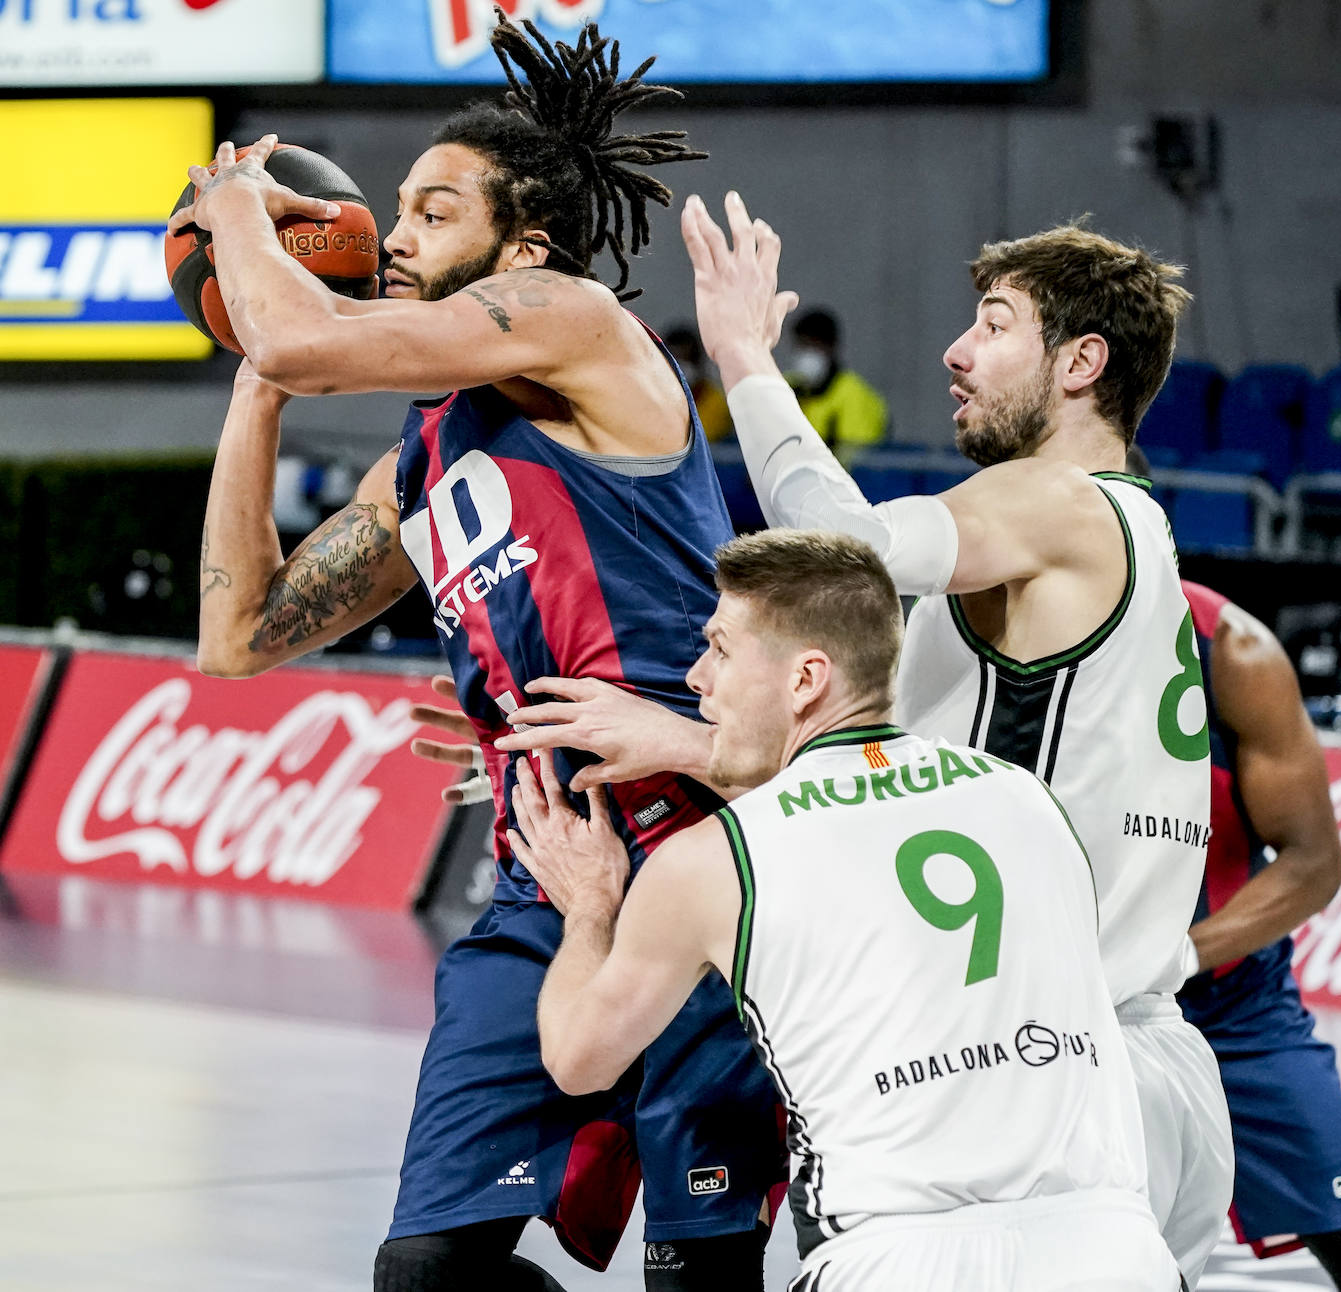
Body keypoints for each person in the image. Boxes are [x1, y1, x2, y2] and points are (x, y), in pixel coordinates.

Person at [453, 198, 1234, 1288]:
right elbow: (883, 775)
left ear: (1081, 362)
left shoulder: (1060, 501)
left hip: (1049, 1082)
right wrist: (680, 736)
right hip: (1131, 1072)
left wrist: (742, 360)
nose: (957, 351)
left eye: (995, 324)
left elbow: (842, 551)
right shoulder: (1121, 539)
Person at [178, 18, 785, 1292]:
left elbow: (305, 335)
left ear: (524, 247)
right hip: (543, 879)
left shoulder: (576, 323)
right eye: (393, 209)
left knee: (700, 1276)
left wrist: (233, 197)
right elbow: (239, 636)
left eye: (431, 210)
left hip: (704, 852)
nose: (393, 236)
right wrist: (254, 381)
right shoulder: (430, 454)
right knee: (426, 1273)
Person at [508, 527, 1179, 1292]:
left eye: (722, 650)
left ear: (805, 681)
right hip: (1113, 1248)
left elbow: (579, 1059)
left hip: (899, 1258)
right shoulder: (1025, 796)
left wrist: (590, 907)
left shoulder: (714, 859)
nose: (698, 677)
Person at [1178, 576, 1341, 1289]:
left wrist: (1177, 955)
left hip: (1230, 992)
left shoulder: (1232, 648)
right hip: (1070, 1003)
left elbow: (1316, 863)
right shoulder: (994, 635)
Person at [786, 308, 888, 463]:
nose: (808, 354)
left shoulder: (854, 395)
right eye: (803, 345)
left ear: (832, 347)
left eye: (815, 345)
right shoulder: (784, 387)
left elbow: (855, 460)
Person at [663, 324, 733, 442]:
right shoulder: (656, 399)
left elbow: (696, 443)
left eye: (685, 361)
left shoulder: (716, 403)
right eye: (675, 361)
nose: (681, 369)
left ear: (698, 363)